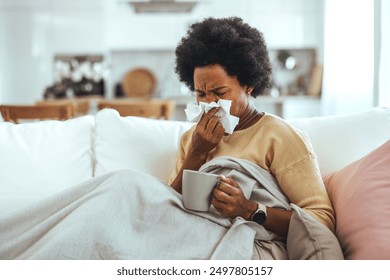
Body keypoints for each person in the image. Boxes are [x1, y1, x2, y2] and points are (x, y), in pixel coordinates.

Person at [169, 17, 335, 240]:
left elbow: (321, 220)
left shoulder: (278, 136)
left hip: (250, 246)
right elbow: (166, 209)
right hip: (192, 239)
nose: (209, 103)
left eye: (219, 92)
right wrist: (197, 153)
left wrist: (248, 209)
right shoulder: (192, 138)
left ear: (248, 85)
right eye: (200, 94)